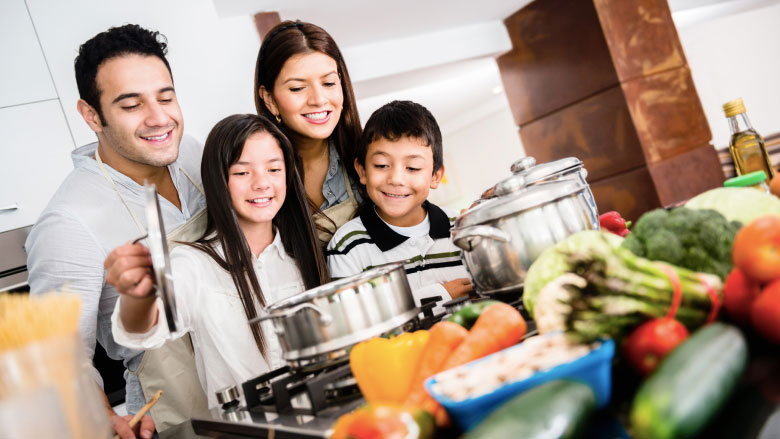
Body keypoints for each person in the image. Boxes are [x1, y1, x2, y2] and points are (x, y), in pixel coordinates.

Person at [24, 24, 208, 438]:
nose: (159, 118)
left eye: (166, 96)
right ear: (92, 115)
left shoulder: (193, 154)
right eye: (131, 105)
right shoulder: (68, 221)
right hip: (177, 415)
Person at [110, 113, 330, 408]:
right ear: (218, 181)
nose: (262, 183)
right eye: (242, 173)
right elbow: (144, 332)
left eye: (274, 169)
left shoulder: (305, 252)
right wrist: (137, 296)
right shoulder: (194, 263)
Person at [326, 100, 473, 314]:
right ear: (362, 171)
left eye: (413, 167)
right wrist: (439, 294)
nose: (396, 179)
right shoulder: (347, 246)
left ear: (435, 176)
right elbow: (354, 322)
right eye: (381, 165)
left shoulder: (462, 229)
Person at [254, 20, 364, 245]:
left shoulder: (368, 155)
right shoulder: (257, 178)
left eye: (329, 83)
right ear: (270, 100)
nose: (319, 100)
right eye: (297, 88)